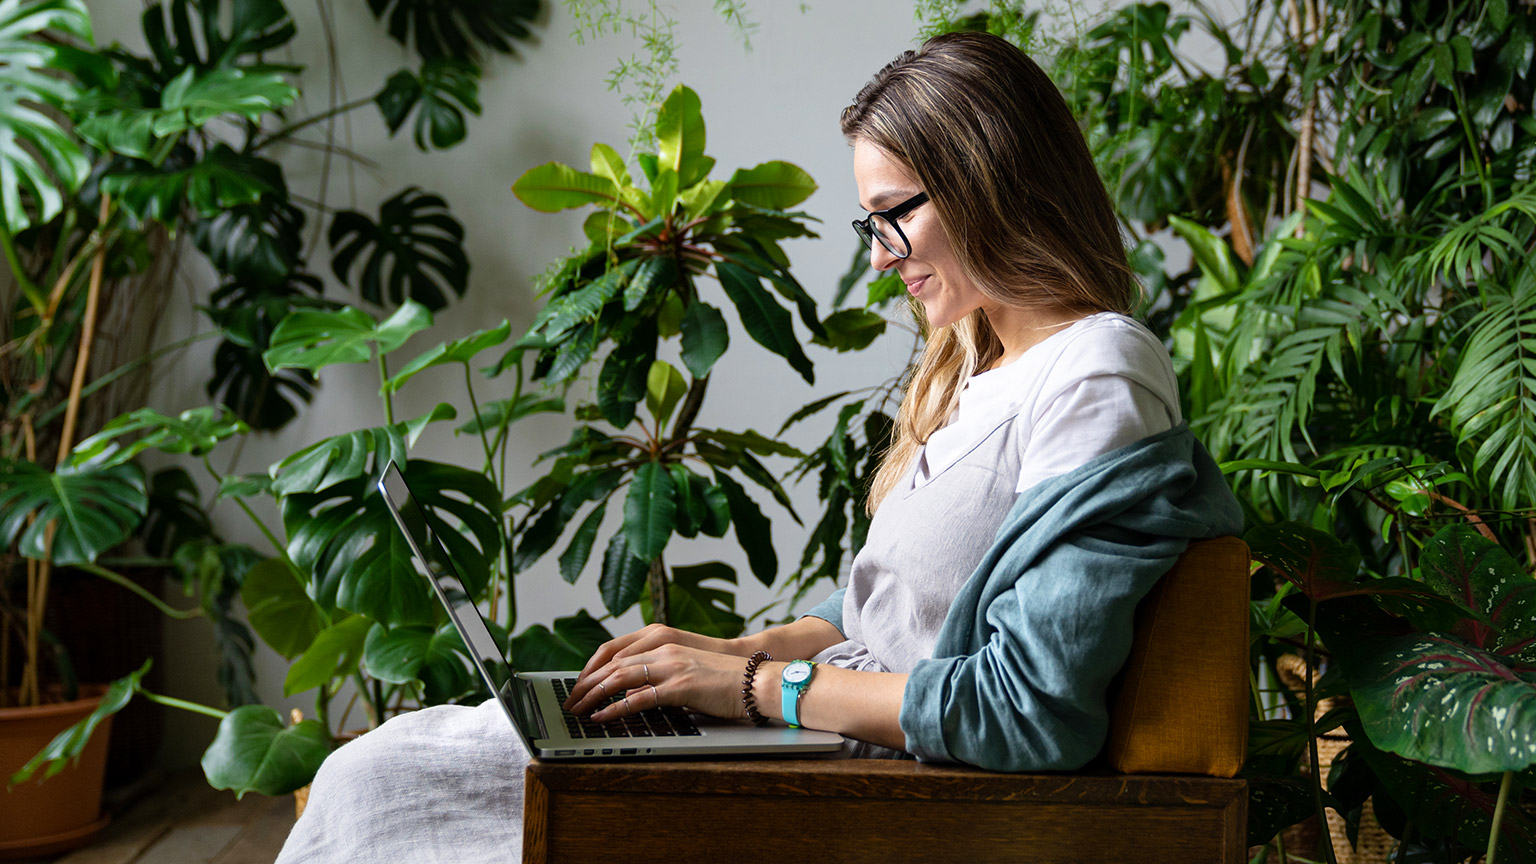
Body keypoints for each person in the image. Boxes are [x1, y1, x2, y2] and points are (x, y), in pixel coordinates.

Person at [275, 31, 1240, 861]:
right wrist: (728, 650)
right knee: (407, 754)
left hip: (887, 776)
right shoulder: (980, 362)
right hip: (826, 724)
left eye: (897, 212)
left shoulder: (1097, 372)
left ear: (994, 182)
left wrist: (748, 687)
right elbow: (888, 603)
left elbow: (1028, 710)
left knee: (381, 780)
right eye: (873, 222)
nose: (878, 255)